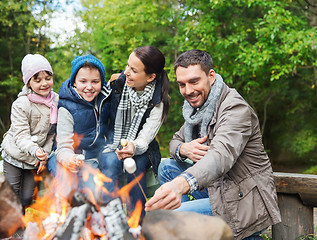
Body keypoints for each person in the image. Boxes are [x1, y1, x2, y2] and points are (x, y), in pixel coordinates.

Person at [145, 49, 281, 240]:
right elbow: (175, 139)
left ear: (211, 76)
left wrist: (180, 184)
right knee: (167, 166)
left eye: (194, 81)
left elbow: (219, 157)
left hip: (243, 202)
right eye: (182, 84)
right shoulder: (199, 109)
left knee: (171, 219)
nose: (188, 91)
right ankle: (193, 231)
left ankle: (216, 232)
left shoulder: (235, 108)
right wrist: (183, 148)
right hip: (218, 189)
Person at [100, 46, 170, 218]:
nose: (126, 72)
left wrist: (133, 146)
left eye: (133, 70)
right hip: (112, 141)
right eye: (127, 66)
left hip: (142, 149)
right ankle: (109, 221)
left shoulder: (158, 102)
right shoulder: (118, 84)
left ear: (150, 77)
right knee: (111, 163)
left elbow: (145, 138)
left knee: (135, 165)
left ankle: (136, 225)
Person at [0, 53, 59, 211]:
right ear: (28, 83)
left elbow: (51, 134)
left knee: (27, 196)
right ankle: (10, 225)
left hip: (36, 158)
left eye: (48, 78)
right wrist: (34, 150)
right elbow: (21, 135)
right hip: (16, 153)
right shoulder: (21, 104)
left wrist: (44, 155)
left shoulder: (56, 102)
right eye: (37, 80)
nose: (44, 83)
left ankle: (25, 221)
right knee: (12, 191)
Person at [47, 55, 111, 176]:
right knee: (69, 180)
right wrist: (69, 159)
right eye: (83, 81)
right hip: (72, 156)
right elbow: (63, 145)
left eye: (95, 82)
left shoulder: (106, 99)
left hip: (97, 156)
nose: (89, 87)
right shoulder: (66, 107)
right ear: (74, 83)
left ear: (102, 82)